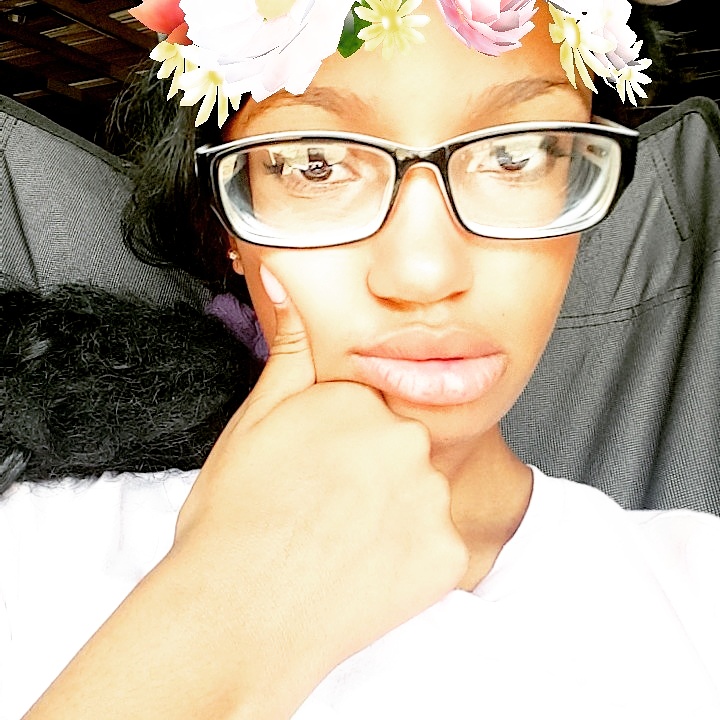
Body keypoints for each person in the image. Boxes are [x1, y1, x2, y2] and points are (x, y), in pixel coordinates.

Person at [1, 1, 719, 718]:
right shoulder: (28, 553)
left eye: (515, 156)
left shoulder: (699, 593)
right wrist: (225, 612)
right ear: (221, 223)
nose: (425, 273)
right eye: (314, 165)